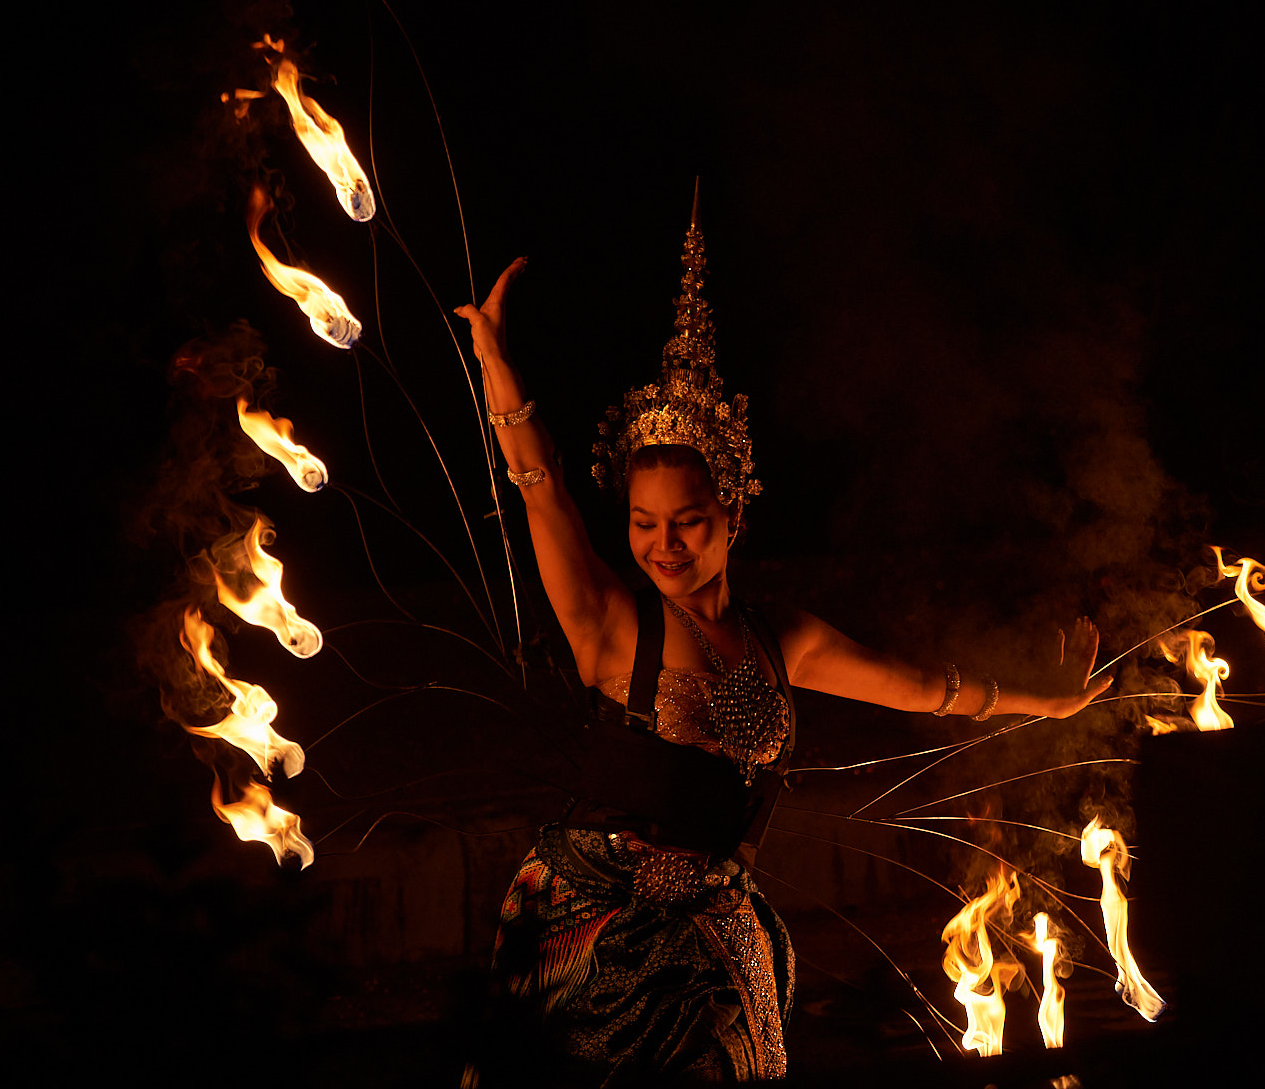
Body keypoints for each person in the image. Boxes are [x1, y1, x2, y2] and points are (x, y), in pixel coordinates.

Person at [454, 201, 1111, 1085]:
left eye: (688, 521)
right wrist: (496, 362)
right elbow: (540, 488)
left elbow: (926, 687)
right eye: (644, 524)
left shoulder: (781, 639)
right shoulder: (613, 625)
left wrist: (1046, 699)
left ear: (732, 516)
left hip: (718, 942)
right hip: (596, 937)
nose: (663, 546)